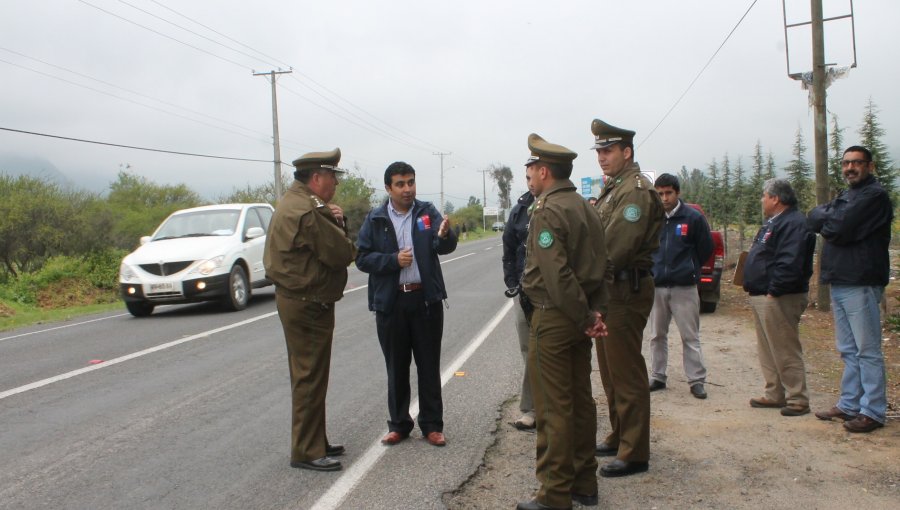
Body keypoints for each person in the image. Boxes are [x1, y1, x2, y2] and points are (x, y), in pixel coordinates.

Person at [516, 133, 608, 510]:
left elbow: (556, 275)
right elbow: (601, 265)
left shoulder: (546, 209)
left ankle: (554, 494)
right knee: (581, 402)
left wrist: (586, 316)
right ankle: (584, 482)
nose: (530, 176)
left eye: (531, 169)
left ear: (543, 171)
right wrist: (593, 312)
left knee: (554, 407)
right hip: (576, 315)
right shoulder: (585, 207)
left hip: (555, 317)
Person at [263, 148, 357, 472]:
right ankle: (306, 449)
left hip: (298, 300)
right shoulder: (309, 211)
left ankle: (315, 440)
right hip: (307, 303)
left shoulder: (294, 202)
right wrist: (339, 223)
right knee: (309, 377)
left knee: (311, 375)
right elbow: (342, 253)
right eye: (332, 177)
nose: (336, 184)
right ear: (317, 178)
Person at [356, 161, 457, 447]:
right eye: (400, 184)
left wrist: (445, 235)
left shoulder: (427, 213)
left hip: (425, 301)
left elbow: (444, 246)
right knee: (396, 367)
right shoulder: (375, 219)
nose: (407, 189)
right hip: (391, 303)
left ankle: (432, 425)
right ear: (388, 188)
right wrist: (392, 261)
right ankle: (399, 424)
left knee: (428, 365)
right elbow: (362, 258)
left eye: (411, 182)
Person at [590, 118, 663, 478]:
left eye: (608, 151)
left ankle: (635, 452)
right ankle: (620, 435)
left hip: (625, 288)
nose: (602, 158)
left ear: (627, 152)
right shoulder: (615, 188)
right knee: (610, 370)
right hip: (611, 289)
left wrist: (586, 276)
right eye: (599, 151)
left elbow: (616, 247)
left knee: (627, 371)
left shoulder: (634, 191)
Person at [808, 145, 893, 433]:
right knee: (848, 349)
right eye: (846, 163)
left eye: (857, 163)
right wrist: (830, 220)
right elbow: (815, 217)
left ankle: (873, 410)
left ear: (870, 166)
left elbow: (838, 228)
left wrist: (829, 222)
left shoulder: (874, 196)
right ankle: (849, 404)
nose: (850, 168)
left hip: (862, 280)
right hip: (841, 280)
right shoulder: (847, 195)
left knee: (867, 350)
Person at [742, 178, 815, 417]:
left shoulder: (793, 223)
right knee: (768, 348)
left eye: (764, 196)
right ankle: (775, 393)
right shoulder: (774, 222)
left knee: (784, 347)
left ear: (776, 198)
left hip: (781, 296)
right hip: (763, 294)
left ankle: (797, 399)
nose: (762, 200)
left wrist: (774, 290)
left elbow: (789, 262)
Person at [647, 173, 713, 399]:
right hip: (657, 287)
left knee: (690, 336)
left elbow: (705, 249)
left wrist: (690, 269)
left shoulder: (692, 218)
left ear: (677, 193)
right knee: (657, 335)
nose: (664, 198)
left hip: (684, 287)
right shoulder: (652, 219)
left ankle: (696, 380)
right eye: (660, 194)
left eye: (668, 193)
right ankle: (657, 376)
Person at [501, 189, 537, 431]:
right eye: (528, 176)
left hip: (555, 293)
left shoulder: (562, 204)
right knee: (528, 349)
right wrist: (513, 284)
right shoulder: (519, 211)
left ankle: (559, 406)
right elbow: (509, 251)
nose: (531, 181)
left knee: (555, 350)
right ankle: (532, 408)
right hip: (523, 292)